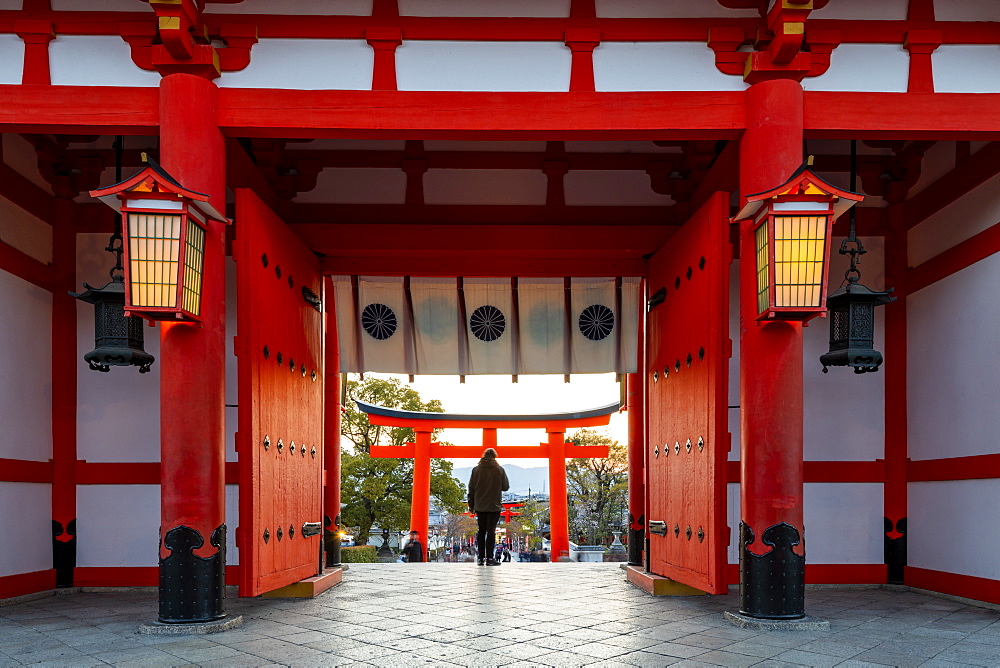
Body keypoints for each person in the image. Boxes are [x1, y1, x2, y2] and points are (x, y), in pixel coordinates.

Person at [467, 447, 509, 566]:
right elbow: (505, 487)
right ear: (495, 457)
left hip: (480, 505)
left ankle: (480, 558)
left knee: (481, 531)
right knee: (491, 532)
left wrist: (471, 504)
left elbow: (471, 488)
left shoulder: (476, 470)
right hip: (494, 504)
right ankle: (490, 558)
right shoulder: (499, 470)